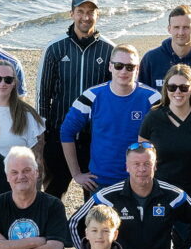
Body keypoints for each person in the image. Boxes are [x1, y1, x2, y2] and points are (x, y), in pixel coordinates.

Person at [38, 0, 115, 197]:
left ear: (97, 15)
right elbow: (43, 94)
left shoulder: (108, 50)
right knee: (54, 193)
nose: (85, 17)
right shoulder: (55, 48)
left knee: (93, 195)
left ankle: (87, 230)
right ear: (71, 13)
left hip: (94, 137)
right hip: (58, 134)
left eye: (90, 12)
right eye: (80, 11)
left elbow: (114, 93)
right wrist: (43, 132)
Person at [98, 140, 191, 249]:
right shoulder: (109, 197)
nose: (142, 169)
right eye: (136, 164)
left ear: (155, 166)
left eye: (147, 164)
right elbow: (76, 223)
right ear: (127, 167)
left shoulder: (173, 196)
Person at [62, 45, 154, 197]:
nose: (124, 71)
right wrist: (76, 174)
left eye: (130, 67)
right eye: (119, 66)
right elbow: (66, 132)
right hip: (100, 183)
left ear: (137, 69)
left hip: (139, 181)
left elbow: (166, 136)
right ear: (110, 66)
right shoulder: (92, 96)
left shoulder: (152, 99)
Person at [143, 65, 191, 226]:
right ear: (166, 88)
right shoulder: (153, 117)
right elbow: (142, 156)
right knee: (157, 246)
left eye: (183, 87)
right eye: (172, 87)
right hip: (159, 193)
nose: (177, 92)